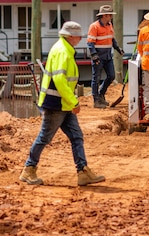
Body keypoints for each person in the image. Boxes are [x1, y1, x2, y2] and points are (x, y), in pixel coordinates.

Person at [19, 21, 106, 187]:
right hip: (56, 103)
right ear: (70, 36)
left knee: (76, 136)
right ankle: (29, 169)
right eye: (79, 35)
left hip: (62, 103)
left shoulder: (64, 48)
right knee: (44, 137)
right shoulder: (63, 51)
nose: (81, 39)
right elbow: (59, 80)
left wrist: (70, 101)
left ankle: (83, 171)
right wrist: (74, 101)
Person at [86, 4, 124, 108]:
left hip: (107, 56)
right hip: (98, 57)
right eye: (110, 15)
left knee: (111, 76)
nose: (111, 17)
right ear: (104, 15)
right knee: (96, 78)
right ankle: (96, 100)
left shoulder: (109, 25)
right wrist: (94, 55)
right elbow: (90, 43)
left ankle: (101, 94)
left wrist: (118, 49)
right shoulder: (94, 26)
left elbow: (112, 39)